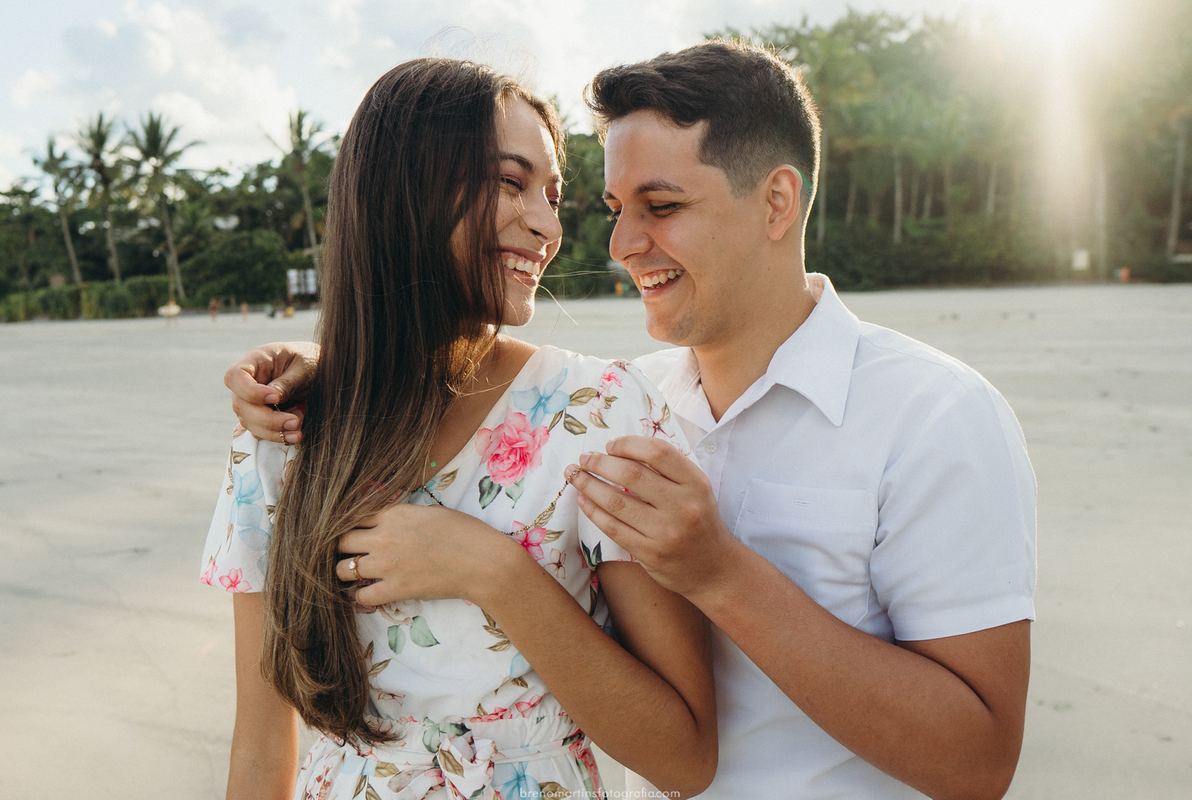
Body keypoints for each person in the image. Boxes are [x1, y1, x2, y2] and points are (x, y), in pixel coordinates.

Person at [228, 41, 1036, 799]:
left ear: (777, 202)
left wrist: (717, 573)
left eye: (662, 205)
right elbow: (461, 382)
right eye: (615, 206)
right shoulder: (615, 402)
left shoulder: (933, 416)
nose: (617, 243)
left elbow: (979, 763)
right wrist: (326, 368)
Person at [202, 58, 717, 800]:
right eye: (509, 182)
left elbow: (683, 757)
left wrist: (494, 571)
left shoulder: (596, 413)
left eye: (552, 195)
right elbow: (259, 748)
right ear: (402, 192)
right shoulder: (281, 433)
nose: (547, 226)